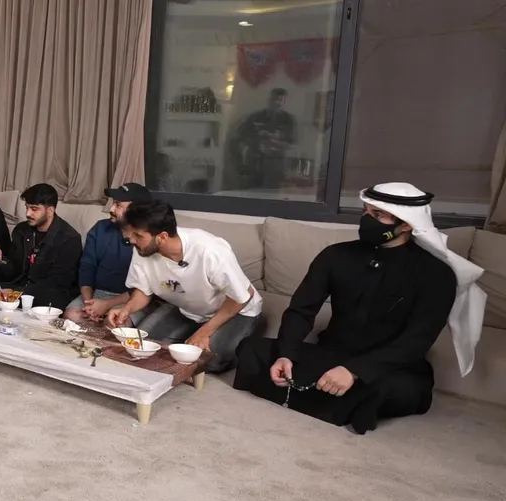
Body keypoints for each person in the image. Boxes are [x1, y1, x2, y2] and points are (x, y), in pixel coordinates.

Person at [234, 183, 485, 434]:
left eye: (378, 215)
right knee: (251, 350)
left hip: (389, 367)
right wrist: (286, 354)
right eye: (365, 211)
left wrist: (355, 372)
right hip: (331, 354)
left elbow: (416, 341)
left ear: (406, 224)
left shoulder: (436, 274)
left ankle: (326, 398)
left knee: (390, 389)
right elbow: (301, 310)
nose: (367, 219)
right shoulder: (335, 255)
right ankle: (335, 403)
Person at [107, 200, 262, 373]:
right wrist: (126, 309)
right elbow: (143, 290)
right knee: (144, 346)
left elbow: (242, 296)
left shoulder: (209, 250)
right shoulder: (142, 250)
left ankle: (230, 343)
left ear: (162, 237)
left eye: (138, 235)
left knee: (208, 362)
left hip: (236, 310)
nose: (131, 240)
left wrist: (204, 332)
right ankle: (190, 336)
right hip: (188, 309)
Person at [0, 183, 83, 308]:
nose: (28, 213)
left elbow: (59, 282)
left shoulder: (70, 239)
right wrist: (0, 261)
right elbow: (14, 270)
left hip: (47, 292)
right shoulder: (21, 230)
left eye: (34, 209)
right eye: (27, 208)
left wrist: (18, 293)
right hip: (19, 286)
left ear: (50, 211)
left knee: (51, 301)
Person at [64, 183, 151, 326]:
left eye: (118, 205)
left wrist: (106, 305)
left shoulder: (147, 237)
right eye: (113, 203)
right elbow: (87, 267)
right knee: (71, 316)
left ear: (137, 210)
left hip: (130, 299)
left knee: (115, 324)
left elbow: (144, 288)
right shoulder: (100, 228)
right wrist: (89, 304)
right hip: (97, 294)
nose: (111, 209)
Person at [231, 88, 297, 190]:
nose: (276, 102)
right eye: (274, 99)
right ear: (269, 100)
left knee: (273, 194)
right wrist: (257, 140)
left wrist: (275, 142)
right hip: (253, 163)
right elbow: (240, 136)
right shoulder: (255, 117)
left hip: (276, 164)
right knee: (249, 193)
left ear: (284, 102)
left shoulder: (289, 120)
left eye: (280, 100)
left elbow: (292, 145)